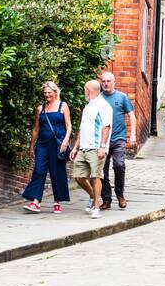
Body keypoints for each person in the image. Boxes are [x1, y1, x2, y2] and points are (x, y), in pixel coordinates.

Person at [22, 81, 72, 213]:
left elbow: (69, 126)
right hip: (42, 145)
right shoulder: (40, 108)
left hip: (57, 145)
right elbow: (35, 129)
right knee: (38, 170)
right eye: (45, 93)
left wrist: (65, 142)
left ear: (55, 92)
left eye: (49, 93)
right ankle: (36, 202)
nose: (47, 96)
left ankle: (57, 202)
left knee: (57, 172)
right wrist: (32, 146)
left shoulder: (63, 106)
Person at [73, 79, 112, 218]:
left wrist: (102, 146)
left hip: (96, 147)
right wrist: (75, 147)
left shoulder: (103, 105)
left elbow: (106, 126)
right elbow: (82, 128)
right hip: (83, 147)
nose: (84, 92)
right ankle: (92, 196)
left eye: (85, 89)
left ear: (90, 90)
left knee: (96, 176)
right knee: (78, 176)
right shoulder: (88, 106)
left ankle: (96, 207)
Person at [99, 71, 136, 211]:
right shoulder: (99, 99)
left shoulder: (122, 97)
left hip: (118, 138)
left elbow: (132, 116)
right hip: (103, 140)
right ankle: (106, 199)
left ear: (114, 82)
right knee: (102, 170)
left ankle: (120, 194)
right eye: (104, 81)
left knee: (119, 165)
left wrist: (133, 134)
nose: (106, 83)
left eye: (108, 81)